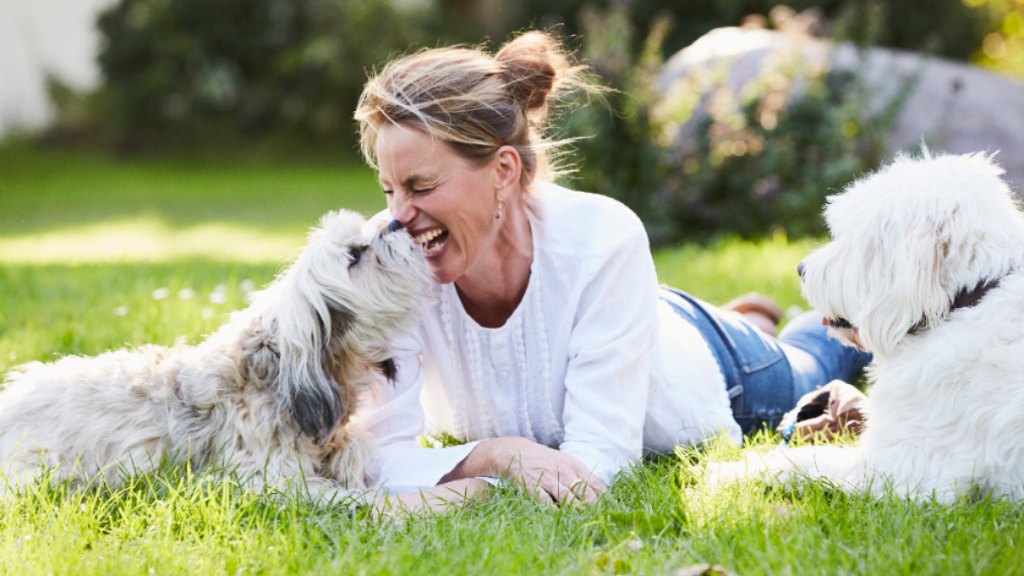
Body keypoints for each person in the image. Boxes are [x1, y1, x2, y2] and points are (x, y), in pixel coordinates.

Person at [351, 30, 870, 513]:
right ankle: (749, 315)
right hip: (628, 320)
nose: (397, 216)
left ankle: (775, 326)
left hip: (717, 368)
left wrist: (473, 479)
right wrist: (493, 454)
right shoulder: (387, 257)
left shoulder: (601, 237)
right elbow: (375, 459)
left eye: (420, 188)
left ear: (503, 171)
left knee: (813, 360)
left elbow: (596, 469)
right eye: (388, 190)